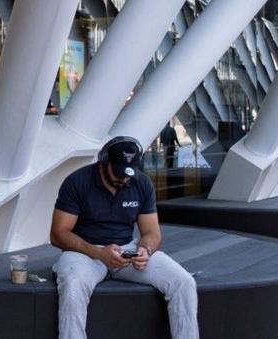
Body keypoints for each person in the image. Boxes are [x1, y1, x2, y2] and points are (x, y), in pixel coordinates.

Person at [50, 136, 197, 339]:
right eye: (119, 172)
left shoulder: (141, 182)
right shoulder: (77, 181)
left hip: (126, 250)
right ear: (104, 161)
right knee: (73, 286)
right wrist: (99, 253)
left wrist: (145, 250)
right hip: (85, 252)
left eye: (129, 173)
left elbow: (152, 233)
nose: (124, 179)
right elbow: (58, 234)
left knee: (184, 282)